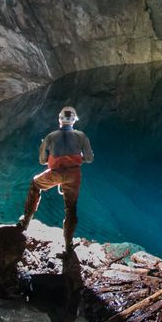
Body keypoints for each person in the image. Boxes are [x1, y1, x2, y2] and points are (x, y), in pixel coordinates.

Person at [18, 106, 94, 248]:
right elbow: (89, 159)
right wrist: (77, 159)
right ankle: (68, 243)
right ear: (73, 121)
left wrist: (53, 158)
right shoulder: (81, 136)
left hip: (55, 173)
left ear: (60, 120)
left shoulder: (51, 137)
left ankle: (26, 221)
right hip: (74, 174)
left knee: (35, 184)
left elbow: (42, 160)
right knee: (71, 208)